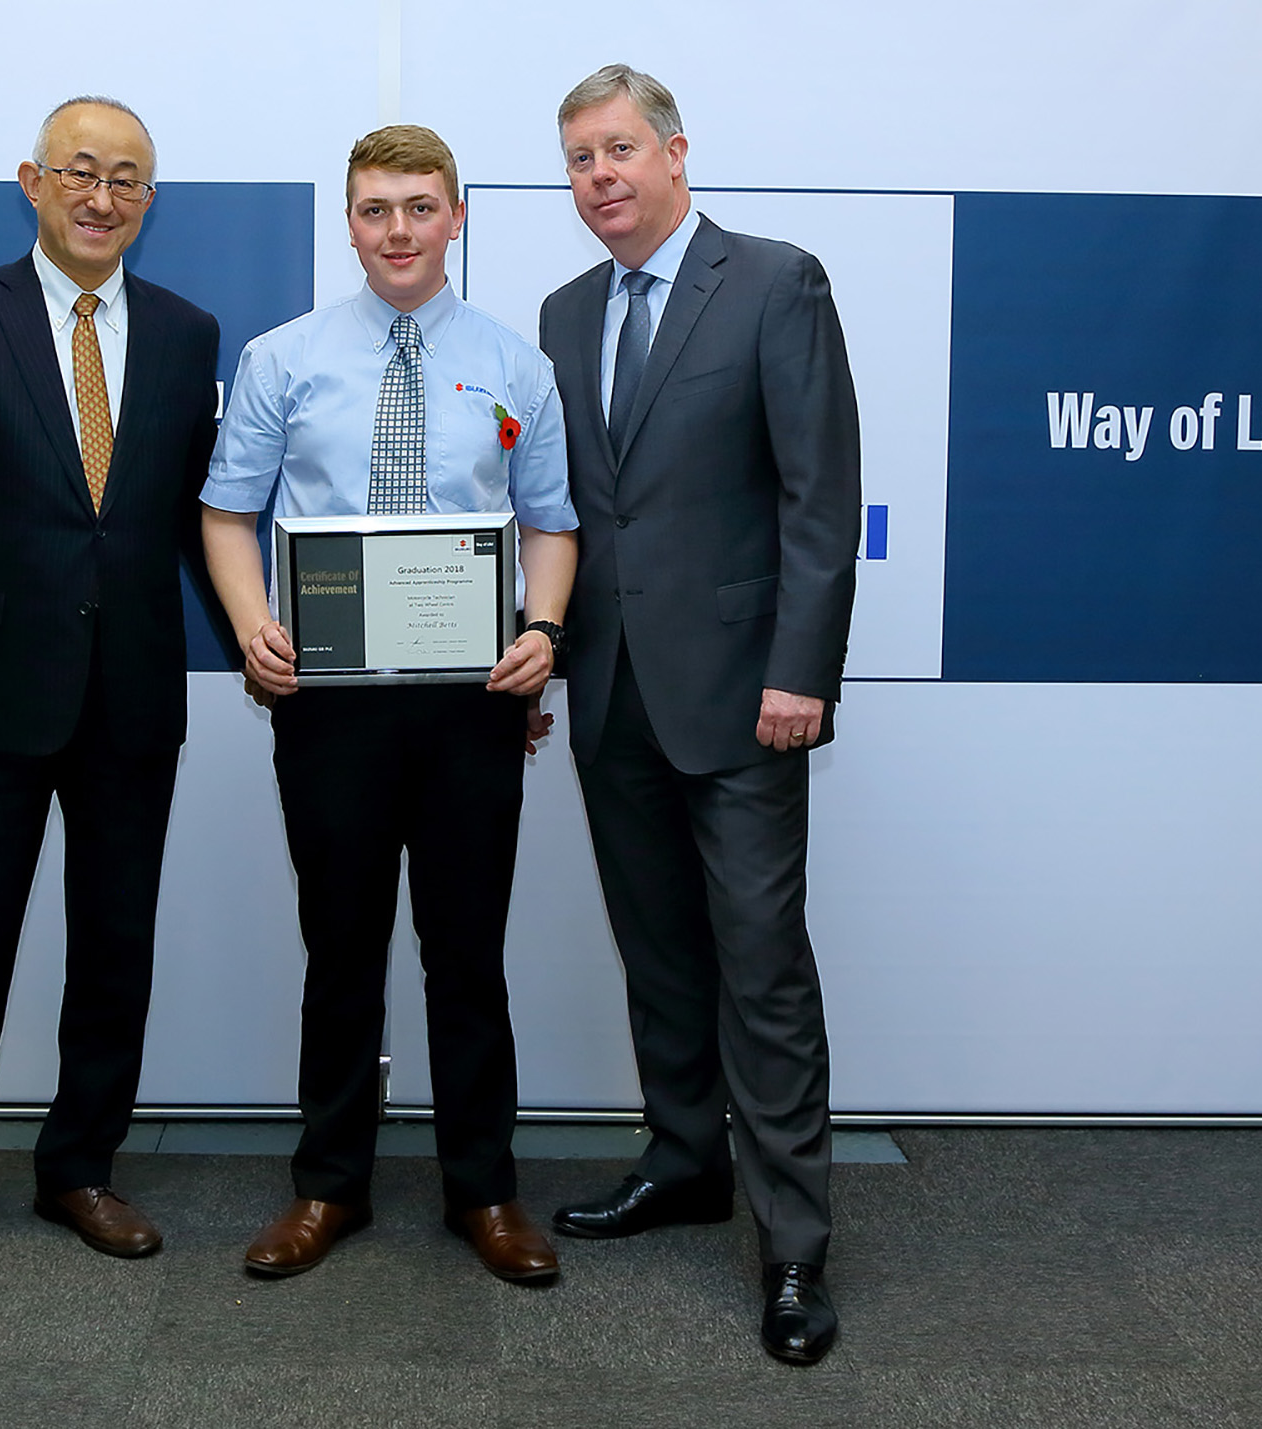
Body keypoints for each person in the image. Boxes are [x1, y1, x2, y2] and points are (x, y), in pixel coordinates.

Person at [202, 125, 578, 1283]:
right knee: (340, 951)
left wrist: (541, 632)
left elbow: (549, 525)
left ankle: (484, 1190)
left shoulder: (515, 365)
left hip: (471, 704)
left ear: (456, 216)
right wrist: (252, 630)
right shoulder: (282, 359)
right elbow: (227, 514)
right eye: (375, 209)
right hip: (329, 704)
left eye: (420, 206)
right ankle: (328, 1186)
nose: (398, 230)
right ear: (349, 222)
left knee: (466, 956)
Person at [538, 65, 861, 1363]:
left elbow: (819, 497)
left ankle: (793, 1248)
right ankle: (683, 1160)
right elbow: (570, 508)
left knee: (760, 968)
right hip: (609, 689)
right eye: (578, 158)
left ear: (676, 153)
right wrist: (540, 646)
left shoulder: (776, 283)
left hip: (743, 697)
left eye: (618, 149)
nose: (599, 176)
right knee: (658, 952)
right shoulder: (564, 312)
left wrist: (802, 671)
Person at [0, 96, 223, 1268]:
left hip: (132, 691)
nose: (100, 197)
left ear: (148, 203)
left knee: (114, 945)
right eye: (80, 171)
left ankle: (81, 1167)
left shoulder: (185, 332)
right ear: (31, 182)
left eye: (125, 179)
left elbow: (195, 519)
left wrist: (271, 641)